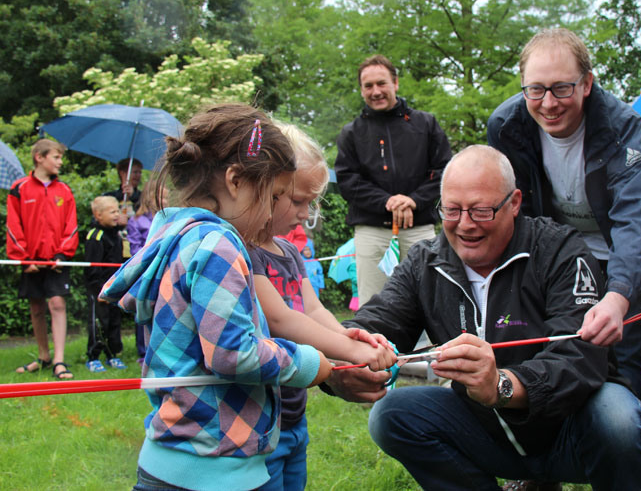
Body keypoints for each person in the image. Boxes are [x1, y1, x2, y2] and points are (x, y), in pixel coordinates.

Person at [324, 146, 641, 490]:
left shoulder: (559, 249)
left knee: (619, 420)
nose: (465, 225)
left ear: (514, 203)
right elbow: (379, 320)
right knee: (391, 416)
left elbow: (582, 357)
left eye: (481, 211)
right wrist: (341, 360)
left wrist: (502, 385)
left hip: (573, 432)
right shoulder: (425, 261)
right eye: (451, 210)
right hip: (488, 431)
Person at [99, 103, 331, 491]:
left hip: (169, 459)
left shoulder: (173, 231)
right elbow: (234, 353)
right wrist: (308, 363)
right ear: (236, 180)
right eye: (273, 196)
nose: (274, 211)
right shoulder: (219, 244)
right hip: (214, 471)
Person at [486, 28, 641, 403]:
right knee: (556, 358)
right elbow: (514, 211)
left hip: (628, 259)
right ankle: (560, 454)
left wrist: (619, 296)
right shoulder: (507, 127)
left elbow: (640, 218)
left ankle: (625, 447)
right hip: (562, 261)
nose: (548, 103)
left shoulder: (627, 130)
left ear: (587, 83)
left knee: (623, 361)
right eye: (535, 89)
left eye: (562, 88)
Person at [247, 120, 395, 491]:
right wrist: (351, 349)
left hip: (294, 414)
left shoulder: (290, 253)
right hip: (253, 424)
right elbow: (279, 318)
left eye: (311, 202)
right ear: (266, 188)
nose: (304, 212)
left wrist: (348, 337)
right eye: (298, 200)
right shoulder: (242, 252)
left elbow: (312, 311)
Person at [334, 54, 453, 302]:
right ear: (361, 90)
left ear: (395, 83)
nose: (376, 91)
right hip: (371, 231)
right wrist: (388, 202)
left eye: (381, 83)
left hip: (418, 227)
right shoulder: (351, 133)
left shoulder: (426, 124)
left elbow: (445, 171)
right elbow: (348, 181)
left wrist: (413, 200)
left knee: (431, 300)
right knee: (373, 303)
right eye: (368, 86)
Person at [7, 139, 78, 380]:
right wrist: (25, 259)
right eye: (56, 157)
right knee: (36, 306)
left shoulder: (65, 190)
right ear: (40, 157)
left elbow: (71, 226)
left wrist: (62, 254)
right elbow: (13, 226)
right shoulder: (19, 188)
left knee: (57, 303)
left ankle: (59, 360)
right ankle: (43, 356)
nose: (60, 162)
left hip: (56, 260)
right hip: (31, 261)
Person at [126, 179, 168, 365]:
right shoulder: (137, 221)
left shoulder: (170, 220)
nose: (166, 201)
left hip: (164, 270)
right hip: (146, 271)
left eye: (168, 198)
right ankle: (143, 352)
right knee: (143, 310)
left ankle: (160, 349)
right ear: (151, 197)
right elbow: (134, 249)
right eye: (163, 197)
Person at [84, 196, 126, 372]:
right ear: (98, 215)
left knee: (115, 321)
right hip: (99, 290)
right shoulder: (95, 235)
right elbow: (92, 267)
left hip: (114, 288)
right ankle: (93, 356)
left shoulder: (117, 234)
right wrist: (99, 290)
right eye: (112, 212)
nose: (116, 215)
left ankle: (112, 354)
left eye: (117, 211)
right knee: (100, 322)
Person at [103, 157, 143, 227]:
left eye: (140, 172)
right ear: (122, 173)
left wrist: (134, 196)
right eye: (135, 172)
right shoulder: (108, 197)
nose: (138, 175)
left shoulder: (144, 197)